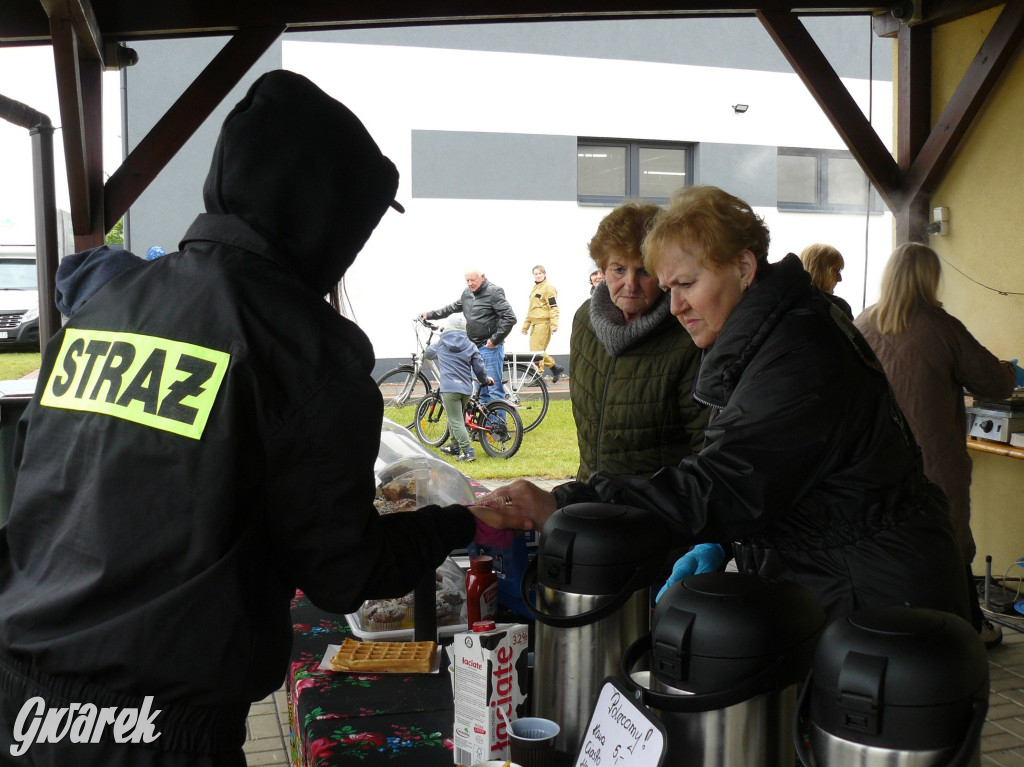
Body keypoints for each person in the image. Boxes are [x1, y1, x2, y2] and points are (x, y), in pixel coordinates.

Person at [0, 70, 507, 767]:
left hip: (20, 697)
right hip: (156, 731)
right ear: (326, 214)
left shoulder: (108, 309)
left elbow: (36, 477)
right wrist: (462, 520)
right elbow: (341, 573)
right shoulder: (307, 351)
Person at [484, 185, 971, 624]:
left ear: (743, 268)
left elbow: (729, 482)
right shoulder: (766, 336)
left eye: (687, 285)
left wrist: (569, 503)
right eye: (670, 288)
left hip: (880, 604)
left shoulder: (798, 353)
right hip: (843, 581)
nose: (675, 307)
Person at [855, 242, 1022, 646]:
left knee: (887, 539)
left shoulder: (862, 323)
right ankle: (966, 629)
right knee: (948, 542)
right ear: (929, 277)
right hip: (934, 460)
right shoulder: (940, 325)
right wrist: (1010, 368)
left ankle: (895, 627)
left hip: (873, 460)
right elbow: (994, 382)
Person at [570, 201, 708, 482]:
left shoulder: (687, 333)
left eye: (644, 271)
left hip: (654, 511)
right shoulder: (584, 321)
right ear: (602, 269)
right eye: (618, 269)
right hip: (589, 496)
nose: (630, 284)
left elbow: (703, 449)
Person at [423, 270, 516, 403]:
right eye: (467, 280)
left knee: (494, 391)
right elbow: (451, 308)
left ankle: (499, 424)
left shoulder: (494, 292)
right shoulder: (467, 294)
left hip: (489, 348)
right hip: (474, 348)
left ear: (482, 277)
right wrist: (430, 315)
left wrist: (495, 340)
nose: (470, 284)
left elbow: (510, 318)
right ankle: (485, 424)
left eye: (473, 280)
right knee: (480, 393)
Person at [425, 314, 494, 462]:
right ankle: (454, 446)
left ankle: (468, 451)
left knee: (456, 420)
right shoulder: (470, 345)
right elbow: (479, 367)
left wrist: (438, 352)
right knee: (455, 416)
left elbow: (428, 354)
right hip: (466, 389)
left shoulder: (441, 342)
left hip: (449, 389)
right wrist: (484, 380)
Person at [520, 264, 564, 383]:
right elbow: (531, 309)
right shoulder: (536, 288)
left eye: (540, 273)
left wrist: (554, 324)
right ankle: (555, 368)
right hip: (535, 325)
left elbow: (553, 307)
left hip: (543, 324)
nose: (538, 276)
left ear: (544, 274)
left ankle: (538, 377)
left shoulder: (549, 287)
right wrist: (526, 326)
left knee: (537, 352)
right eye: (536, 274)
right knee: (536, 351)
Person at [799, 242, 852, 319]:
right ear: (820, 272)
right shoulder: (838, 308)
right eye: (836, 271)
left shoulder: (784, 302)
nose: (840, 279)